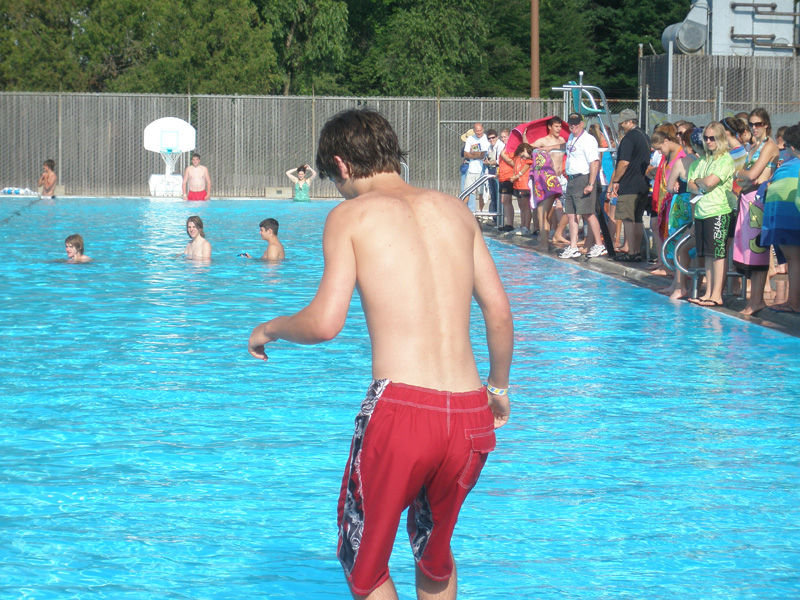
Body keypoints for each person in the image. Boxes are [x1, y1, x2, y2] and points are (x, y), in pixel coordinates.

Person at [247, 108, 513, 600]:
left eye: (334, 180)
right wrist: (497, 388)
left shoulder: (350, 216)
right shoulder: (455, 211)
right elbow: (498, 311)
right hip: (470, 413)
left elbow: (325, 323)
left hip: (402, 412)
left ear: (341, 165)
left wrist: (269, 328)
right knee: (434, 554)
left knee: (363, 563)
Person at [732, 108, 780, 315]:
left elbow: (752, 175)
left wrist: (737, 172)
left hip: (758, 200)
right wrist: (742, 175)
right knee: (747, 251)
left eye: (758, 124)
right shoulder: (753, 146)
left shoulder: (769, 146)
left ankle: (757, 300)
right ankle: (754, 299)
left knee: (757, 250)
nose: (754, 128)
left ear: (766, 124)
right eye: (751, 124)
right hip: (747, 198)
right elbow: (747, 176)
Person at [687, 122, 735, 308]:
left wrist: (700, 183)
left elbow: (710, 182)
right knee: (707, 255)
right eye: (706, 138)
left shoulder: (725, 160)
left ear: (720, 139)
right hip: (701, 212)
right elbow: (690, 185)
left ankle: (716, 295)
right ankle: (708, 293)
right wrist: (702, 184)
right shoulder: (701, 162)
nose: (708, 141)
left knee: (718, 254)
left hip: (719, 210)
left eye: (712, 138)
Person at [761, 124, 800, 313]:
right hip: (788, 216)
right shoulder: (790, 166)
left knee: (794, 259)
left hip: (788, 218)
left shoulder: (790, 165)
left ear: (791, 148)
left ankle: (794, 302)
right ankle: (793, 301)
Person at [559, 112, 603, 259]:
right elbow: (563, 146)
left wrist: (590, 183)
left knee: (588, 213)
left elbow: (594, 162)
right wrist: (546, 147)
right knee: (571, 214)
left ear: (582, 124)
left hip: (583, 178)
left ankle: (599, 244)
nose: (573, 126)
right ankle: (573, 246)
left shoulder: (588, 140)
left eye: (576, 124)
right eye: (571, 124)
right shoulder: (571, 138)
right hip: (571, 179)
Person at [609, 109, 651, 262]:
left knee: (628, 219)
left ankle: (632, 252)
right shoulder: (644, 136)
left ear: (629, 122)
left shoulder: (629, 138)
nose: (620, 126)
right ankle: (637, 251)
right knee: (637, 219)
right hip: (642, 183)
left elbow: (624, 163)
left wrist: (616, 181)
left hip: (630, 184)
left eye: (622, 123)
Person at [531, 116, 566, 249]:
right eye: (556, 126)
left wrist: (551, 148)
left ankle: (553, 235)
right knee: (544, 211)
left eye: (560, 126)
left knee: (566, 210)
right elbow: (528, 147)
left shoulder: (562, 140)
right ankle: (544, 237)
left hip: (560, 178)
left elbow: (567, 146)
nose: (559, 129)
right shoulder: (543, 141)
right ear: (550, 127)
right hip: (548, 179)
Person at [462, 122, 489, 211]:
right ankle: (462, 209)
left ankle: (480, 212)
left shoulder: (486, 139)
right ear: (474, 131)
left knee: (481, 193)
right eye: (477, 131)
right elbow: (466, 154)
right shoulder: (470, 139)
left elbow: (483, 154)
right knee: (467, 191)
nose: (479, 132)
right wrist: (477, 155)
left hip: (482, 170)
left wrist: (473, 153)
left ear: (483, 130)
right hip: (471, 170)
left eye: (480, 130)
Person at [510, 143, 533, 234]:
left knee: (526, 206)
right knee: (521, 206)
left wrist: (516, 176)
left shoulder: (528, 159)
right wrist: (514, 176)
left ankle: (526, 227)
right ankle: (522, 225)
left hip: (524, 185)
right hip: (517, 184)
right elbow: (515, 168)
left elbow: (525, 168)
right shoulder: (517, 158)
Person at [483, 129, 503, 214]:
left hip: (498, 171)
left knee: (498, 195)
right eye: (489, 138)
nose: (491, 140)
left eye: (493, 137)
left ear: (497, 137)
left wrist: (490, 162)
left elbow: (500, 161)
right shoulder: (490, 147)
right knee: (493, 195)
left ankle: (500, 217)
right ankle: (495, 217)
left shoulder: (500, 146)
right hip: (491, 170)